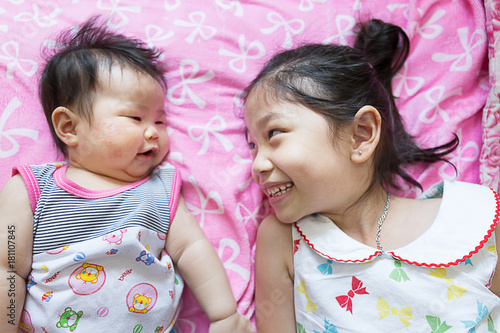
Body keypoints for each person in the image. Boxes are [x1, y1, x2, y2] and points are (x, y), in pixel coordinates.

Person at [244, 19, 500, 332]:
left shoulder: (475, 217)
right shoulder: (284, 240)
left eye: (274, 133)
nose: (256, 164)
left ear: (361, 135)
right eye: (252, 146)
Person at [0, 17, 253, 333]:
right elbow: (8, 268)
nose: (154, 132)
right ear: (69, 127)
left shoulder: (159, 191)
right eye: (136, 117)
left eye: (160, 121)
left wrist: (225, 314)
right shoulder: (33, 188)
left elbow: (192, 250)